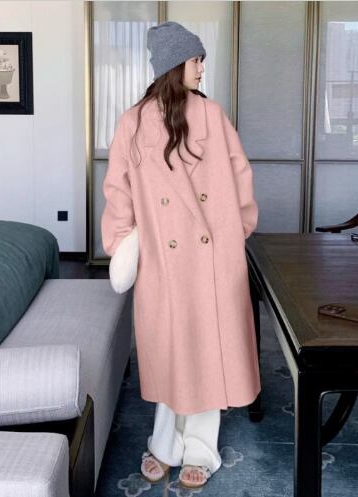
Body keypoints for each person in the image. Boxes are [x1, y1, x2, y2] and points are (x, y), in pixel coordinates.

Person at [101, 21, 261, 489]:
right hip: (163, 255)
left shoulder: (212, 115)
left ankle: (200, 450)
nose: (202, 68)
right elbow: (118, 190)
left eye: (202, 59)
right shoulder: (132, 122)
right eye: (196, 60)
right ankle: (165, 443)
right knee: (170, 348)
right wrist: (122, 242)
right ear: (175, 64)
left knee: (208, 349)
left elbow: (240, 176)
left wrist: (235, 232)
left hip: (212, 253)